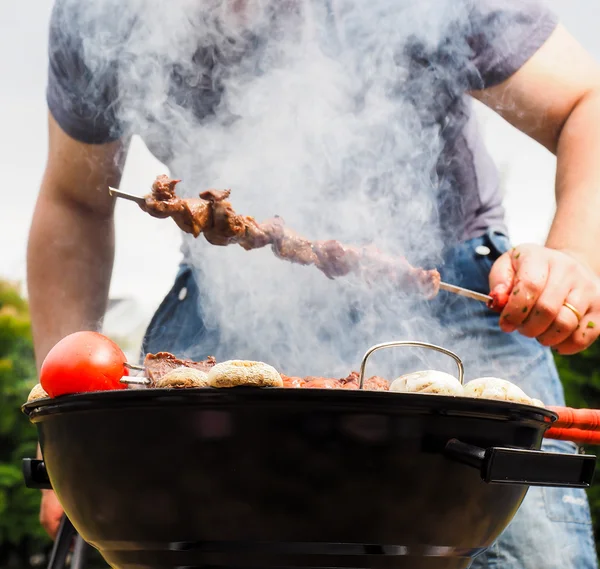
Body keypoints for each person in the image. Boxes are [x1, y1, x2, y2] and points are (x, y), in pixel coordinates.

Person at [27, 0, 600, 567]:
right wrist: (62, 425)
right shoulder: (99, 11)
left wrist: (574, 257)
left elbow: (585, 102)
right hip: (220, 317)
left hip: (455, 306)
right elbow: (75, 200)